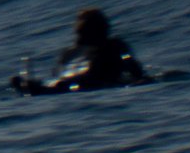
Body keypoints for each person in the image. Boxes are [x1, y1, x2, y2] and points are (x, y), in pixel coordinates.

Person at [11, 8, 150, 94]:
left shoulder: (113, 47)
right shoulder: (83, 52)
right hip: (82, 84)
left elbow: (134, 69)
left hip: (94, 84)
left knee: (61, 85)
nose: (78, 40)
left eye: (81, 34)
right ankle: (37, 87)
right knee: (61, 85)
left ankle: (37, 88)